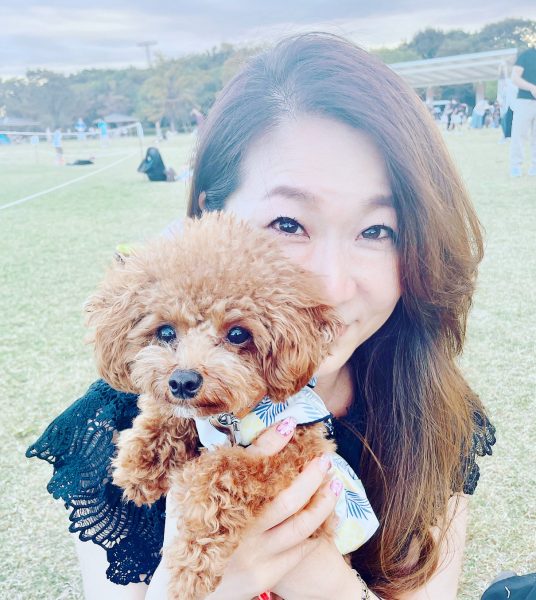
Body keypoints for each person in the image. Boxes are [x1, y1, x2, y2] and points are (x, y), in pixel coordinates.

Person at [27, 33, 496, 600]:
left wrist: (318, 578)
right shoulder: (114, 426)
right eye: (288, 224)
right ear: (211, 213)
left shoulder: (432, 410)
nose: (331, 287)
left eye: (377, 230)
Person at [509, 45, 536, 177]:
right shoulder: (526, 55)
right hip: (524, 101)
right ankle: (516, 166)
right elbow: (514, 78)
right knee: (519, 135)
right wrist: (532, 88)